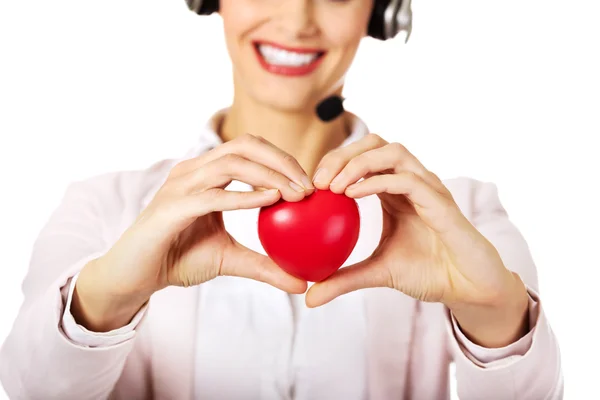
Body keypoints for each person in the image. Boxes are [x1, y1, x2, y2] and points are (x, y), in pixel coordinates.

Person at [0, 0, 563, 399]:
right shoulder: (106, 207)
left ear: (383, 12)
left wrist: (496, 316)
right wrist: (110, 295)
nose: (297, 19)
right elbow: (31, 389)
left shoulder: (461, 213)